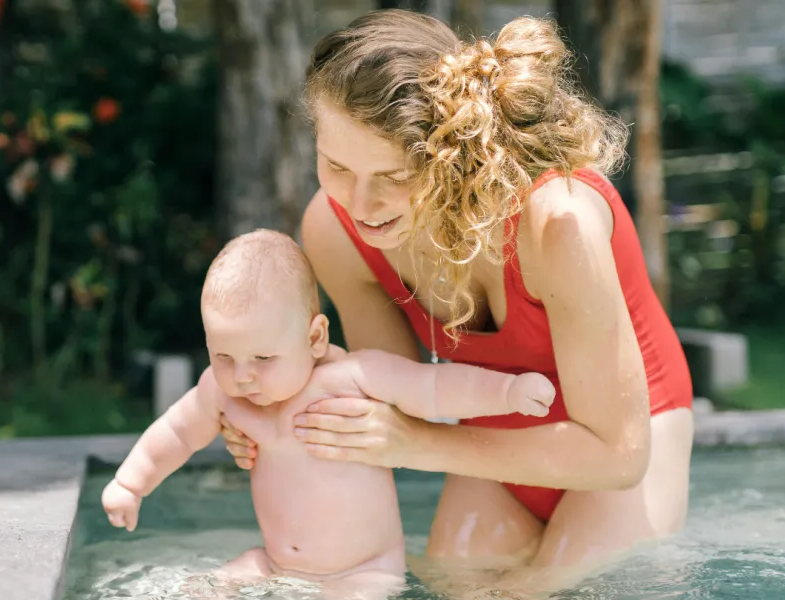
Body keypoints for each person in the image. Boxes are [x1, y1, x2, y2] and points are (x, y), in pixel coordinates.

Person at [217, 9, 696, 595]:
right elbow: (390, 402)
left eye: (393, 175)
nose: (361, 203)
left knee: (560, 587)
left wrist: (414, 442)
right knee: (457, 588)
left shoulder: (558, 222)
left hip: (625, 434)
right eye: (337, 166)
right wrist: (270, 412)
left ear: (453, 154)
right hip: (493, 434)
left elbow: (619, 457)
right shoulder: (335, 229)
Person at [100, 229, 556, 599]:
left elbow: (435, 389)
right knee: (204, 589)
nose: (243, 377)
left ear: (315, 339)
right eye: (223, 356)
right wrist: (130, 484)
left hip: (364, 573)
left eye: (263, 359)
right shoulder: (221, 393)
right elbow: (177, 433)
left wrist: (509, 390)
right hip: (276, 563)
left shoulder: (353, 378)